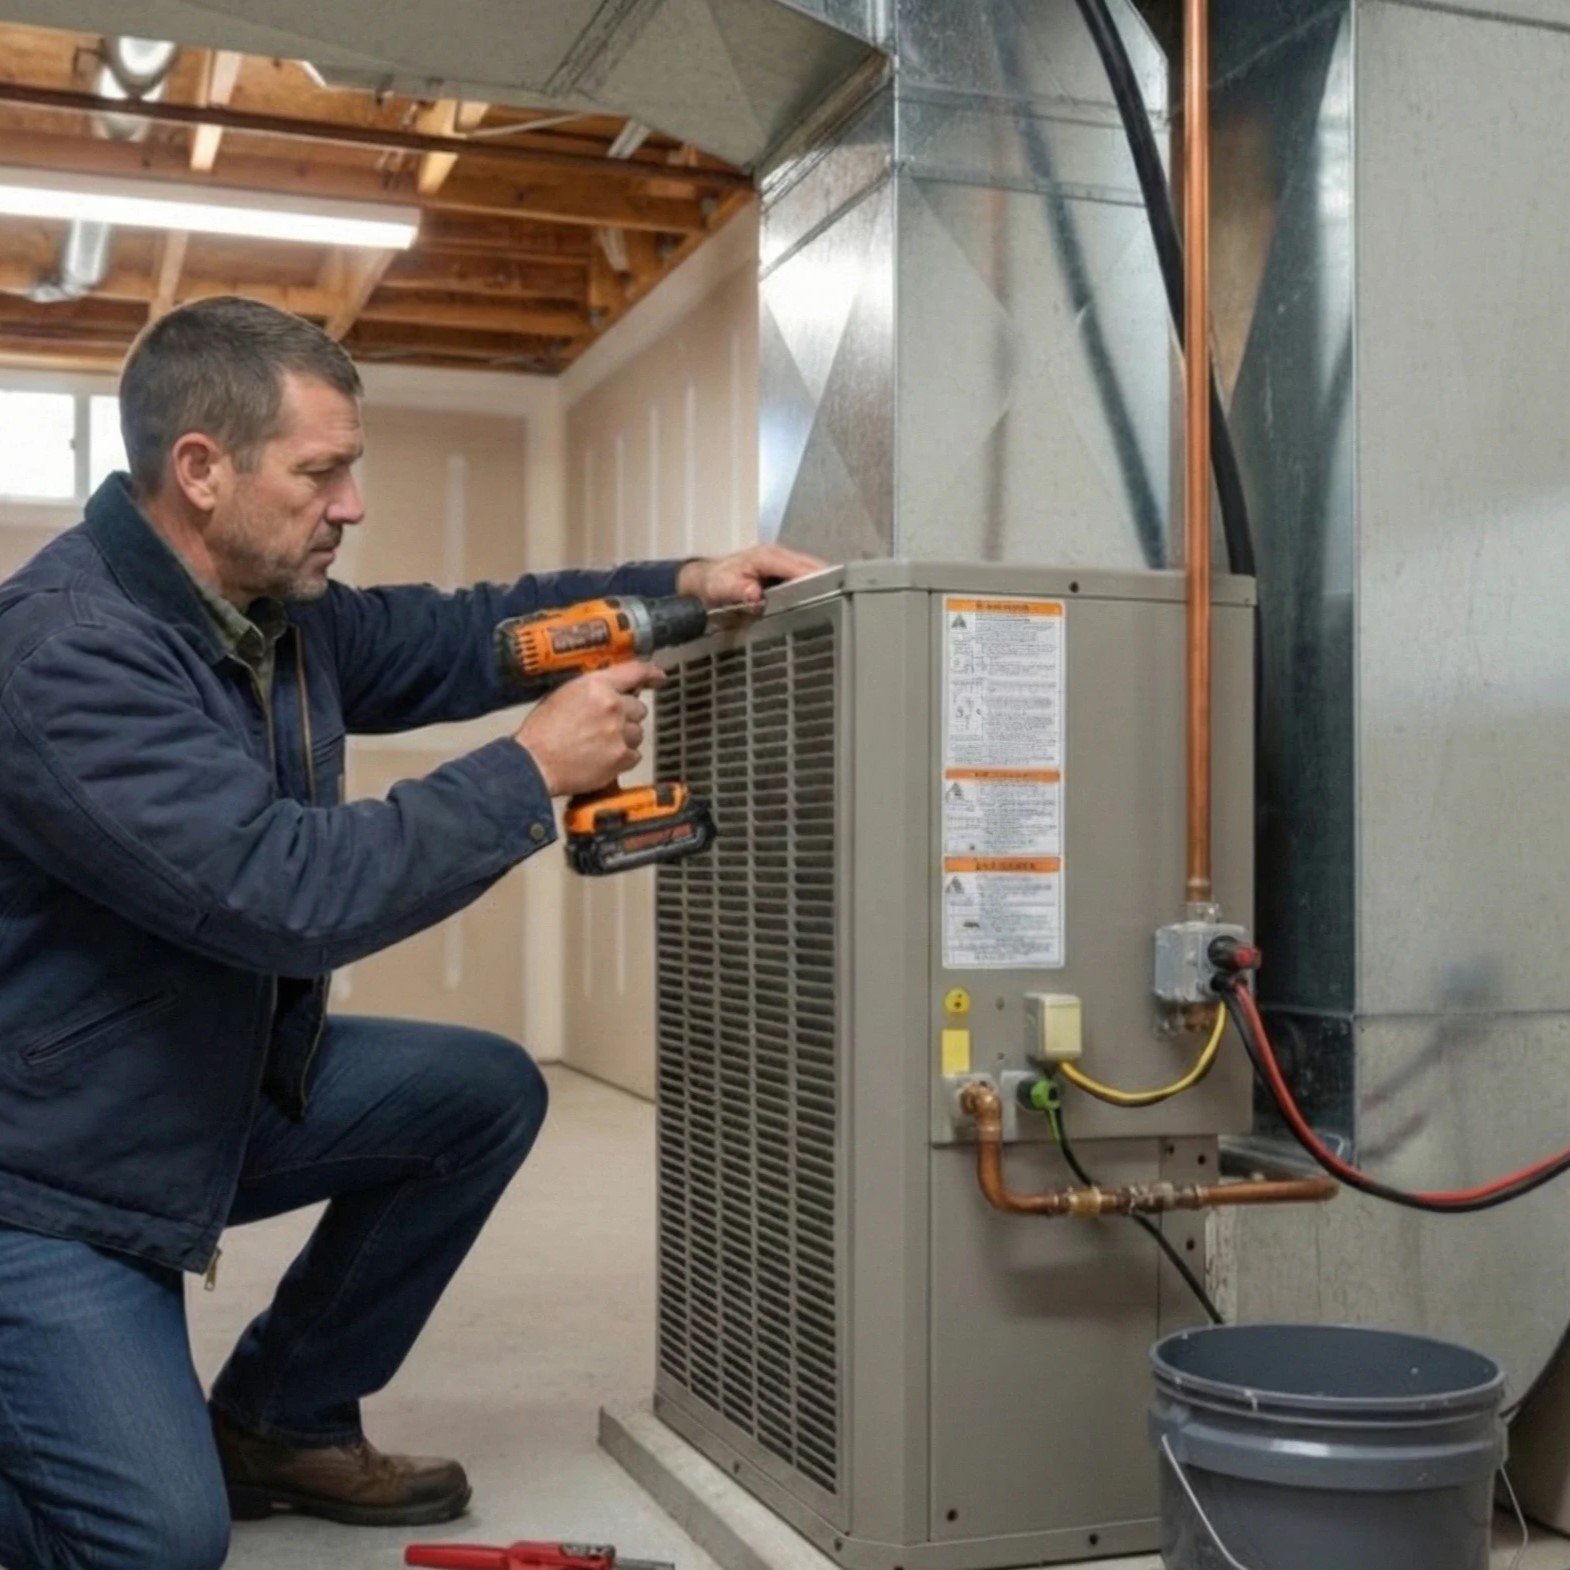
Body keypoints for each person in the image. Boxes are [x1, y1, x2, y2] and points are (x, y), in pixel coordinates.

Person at [0, 295, 824, 1570]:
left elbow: (463, 633)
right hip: (47, 1176)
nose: (352, 504)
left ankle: (279, 1417)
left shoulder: (275, 614)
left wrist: (678, 586)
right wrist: (529, 772)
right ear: (202, 471)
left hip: (189, 1092)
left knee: (476, 1093)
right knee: (149, 1544)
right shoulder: (68, 659)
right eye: (322, 471)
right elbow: (279, 891)